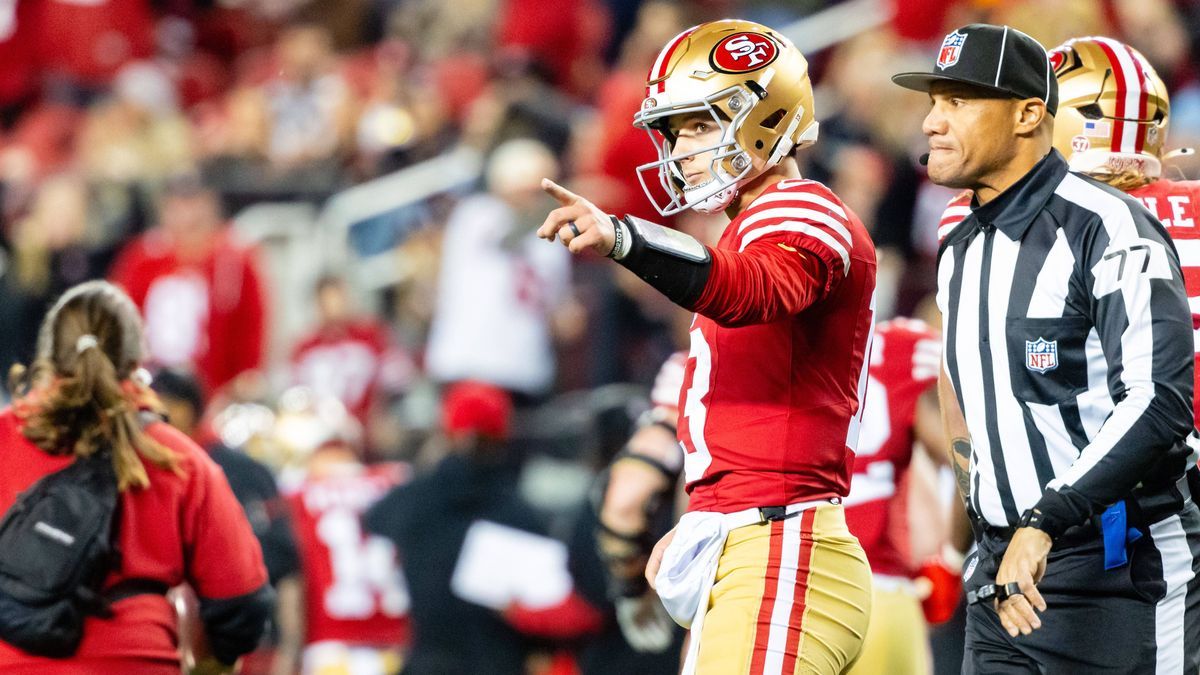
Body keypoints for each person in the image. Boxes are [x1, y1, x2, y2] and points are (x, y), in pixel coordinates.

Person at [539, 19, 877, 674]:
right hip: (755, 541)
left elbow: (748, 291)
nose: (682, 149)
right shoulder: (755, 223)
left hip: (782, 546)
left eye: (698, 125)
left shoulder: (800, 208)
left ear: (766, 115)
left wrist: (624, 238)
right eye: (675, 131)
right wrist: (706, 515)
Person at [893, 24, 1200, 673]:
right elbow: (966, 405)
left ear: (1039, 115)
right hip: (1018, 558)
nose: (931, 123)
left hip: (1123, 546)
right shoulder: (968, 234)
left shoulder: (1105, 226)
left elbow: (1158, 402)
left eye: (959, 101)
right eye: (934, 102)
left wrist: (1009, 527)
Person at [0, 280, 272, 674]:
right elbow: (243, 605)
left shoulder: (5, 437)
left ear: (47, 358)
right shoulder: (178, 459)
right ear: (137, 362)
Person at [842, 317, 956, 675]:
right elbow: (963, 456)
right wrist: (952, 560)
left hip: (784, 587)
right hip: (879, 590)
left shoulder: (776, 333)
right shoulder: (904, 348)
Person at [109, 171, 269, 394]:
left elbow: (251, 329)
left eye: (194, 204)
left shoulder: (234, 260)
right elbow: (119, 319)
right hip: (149, 387)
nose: (187, 216)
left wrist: (238, 386)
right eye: (178, 206)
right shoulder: (142, 258)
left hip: (212, 392)